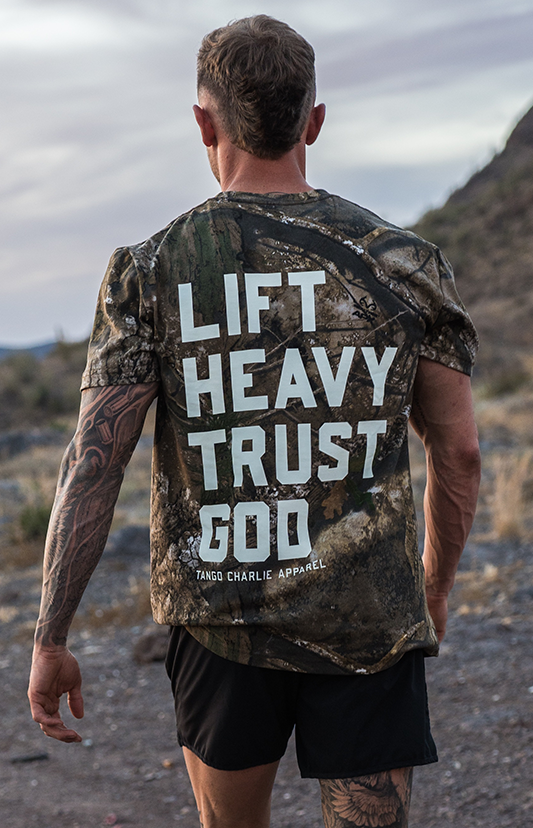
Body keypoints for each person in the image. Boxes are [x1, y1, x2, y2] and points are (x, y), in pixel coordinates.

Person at [28, 15, 481, 828]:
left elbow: (95, 461)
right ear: (313, 122)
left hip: (220, 619)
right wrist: (434, 587)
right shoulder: (405, 262)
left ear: (204, 122)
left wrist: (50, 633)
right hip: (370, 616)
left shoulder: (151, 270)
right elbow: (462, 451)